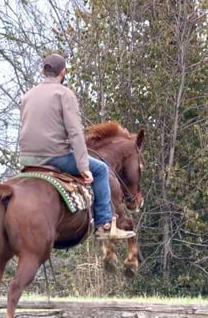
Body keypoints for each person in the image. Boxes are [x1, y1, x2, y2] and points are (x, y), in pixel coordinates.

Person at [18, 53, 135, 240]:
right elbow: (75, 134)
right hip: (55, 156)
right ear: (63, 72)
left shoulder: (27, 96)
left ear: (43, 71)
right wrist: (83, 167)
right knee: (101, 170)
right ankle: (104, 225)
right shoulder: (64, 94)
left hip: (27, 159)